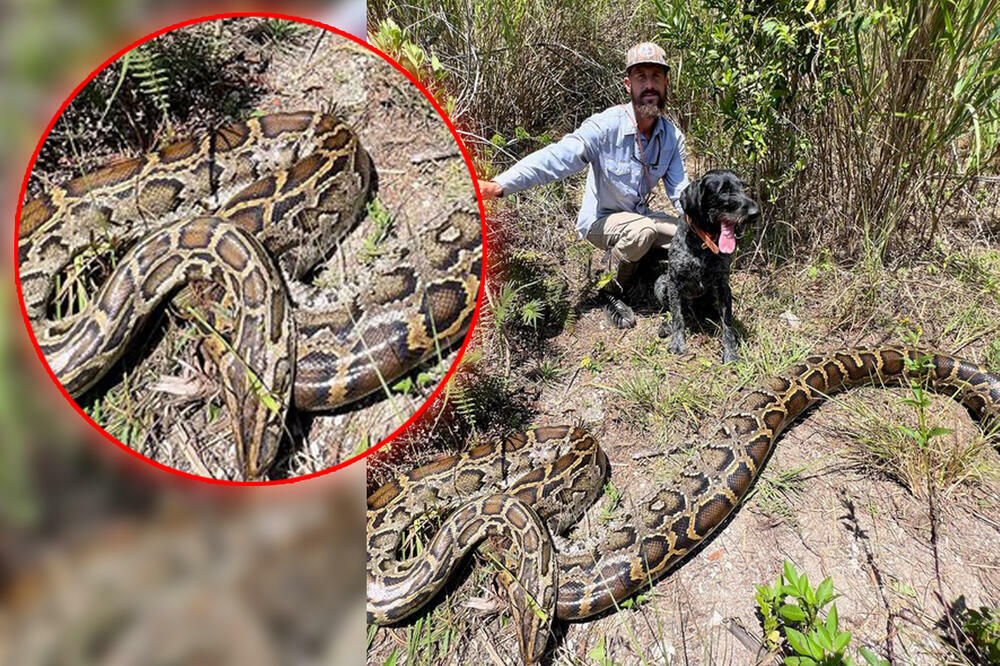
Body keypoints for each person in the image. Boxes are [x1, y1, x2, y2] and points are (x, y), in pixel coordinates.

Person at [478, 42, 689, 329]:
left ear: (666, 83)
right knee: (643, 232)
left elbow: (680, 192)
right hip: (601, 220)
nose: (649, 85)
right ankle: (610, 290)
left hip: (639, 216)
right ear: (628, 84)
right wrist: (499, 185)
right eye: (641, 77)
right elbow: (558, 156)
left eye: (656, 77)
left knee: (690, 237)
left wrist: (702, 227)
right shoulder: (605, 126)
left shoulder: (672, 137)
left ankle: (638, 260)